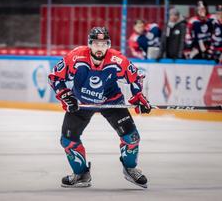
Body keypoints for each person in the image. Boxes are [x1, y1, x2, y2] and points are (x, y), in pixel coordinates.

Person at [48, 27, 151, 188]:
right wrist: (66, 95)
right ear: (90, 44)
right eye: (96, 43)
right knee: (68, 140)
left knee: (132, 138)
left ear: (108, 45)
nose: (100, 48)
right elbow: (55, 77)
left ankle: (130, 168)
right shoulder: (75, 56)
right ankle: (81, 174)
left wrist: (138, 96)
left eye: (103, 44)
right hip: (81, 103)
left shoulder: (118, 60)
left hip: (111, 102)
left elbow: (136, 77)